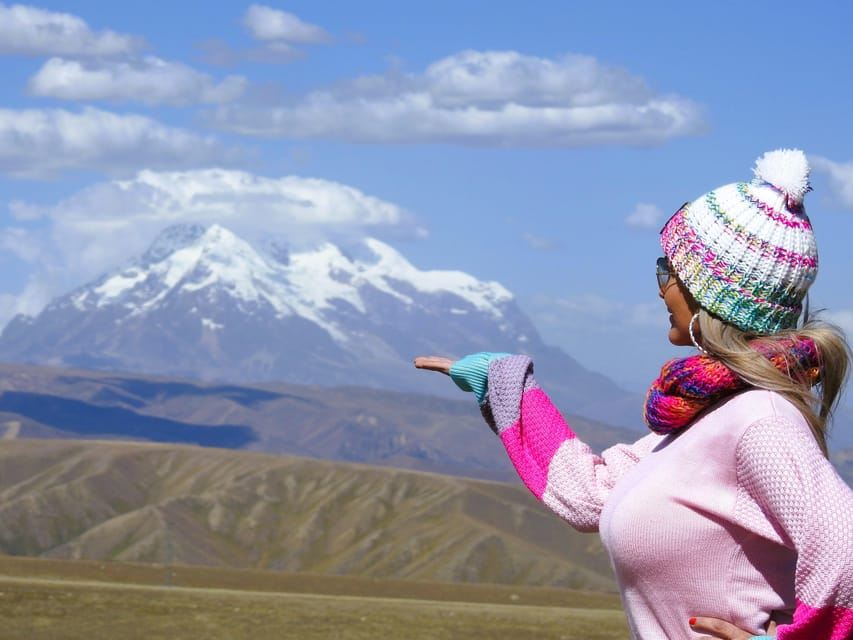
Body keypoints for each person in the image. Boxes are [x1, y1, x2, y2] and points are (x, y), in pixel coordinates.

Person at [415, 149, 853, 640]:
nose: (661, 288)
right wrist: (502, 383)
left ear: (711, 293)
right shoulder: (709, 417)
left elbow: (845, 542)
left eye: (670, 271)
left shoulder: (759, 420)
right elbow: (591, 495)